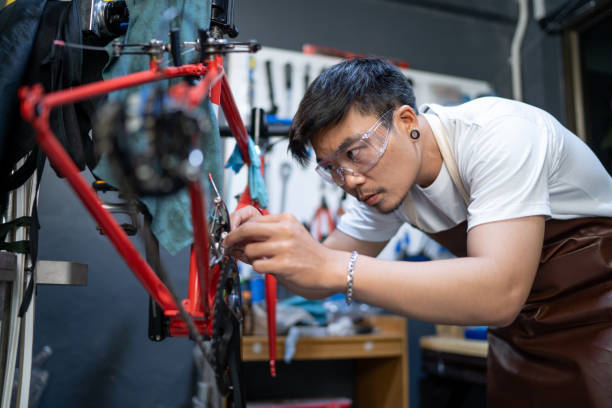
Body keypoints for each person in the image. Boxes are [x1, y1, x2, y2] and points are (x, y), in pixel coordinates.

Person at [222, 58, 612, 406]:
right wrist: (271, 248)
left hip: (600, 320)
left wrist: (329, 266)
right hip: (520, 338)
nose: (350, 179)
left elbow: (500, 291)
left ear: (406, 121)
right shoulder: (385, 189)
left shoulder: (500, 135)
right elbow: (317, 281)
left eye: (354, 153)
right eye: (333, 168)